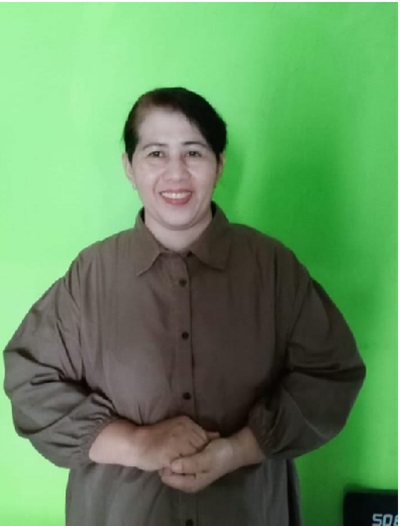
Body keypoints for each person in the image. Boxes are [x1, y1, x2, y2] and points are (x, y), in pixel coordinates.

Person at [3, 87, 366, 526]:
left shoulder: (272, 267)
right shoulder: (91, 274)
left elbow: (331, 372)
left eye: (193, 152)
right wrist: (137, 444)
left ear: (219, 165)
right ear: (129, 167)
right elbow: (29, 378)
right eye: (156, 153)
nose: (175, 173)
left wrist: (238, 450)